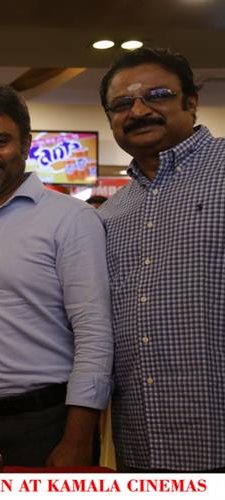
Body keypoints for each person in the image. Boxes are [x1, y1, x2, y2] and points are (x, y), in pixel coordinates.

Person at [0, 85, 113, 467]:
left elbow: (94, 334)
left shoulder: (71, 220)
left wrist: (78, 438)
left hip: (46, 423)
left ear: (26, 143)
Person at [98, 47, 225, 472]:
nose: (138, 111)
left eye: (157, 95)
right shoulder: (111, 214)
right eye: (122, 104)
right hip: (143, 448)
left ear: (191, 101)